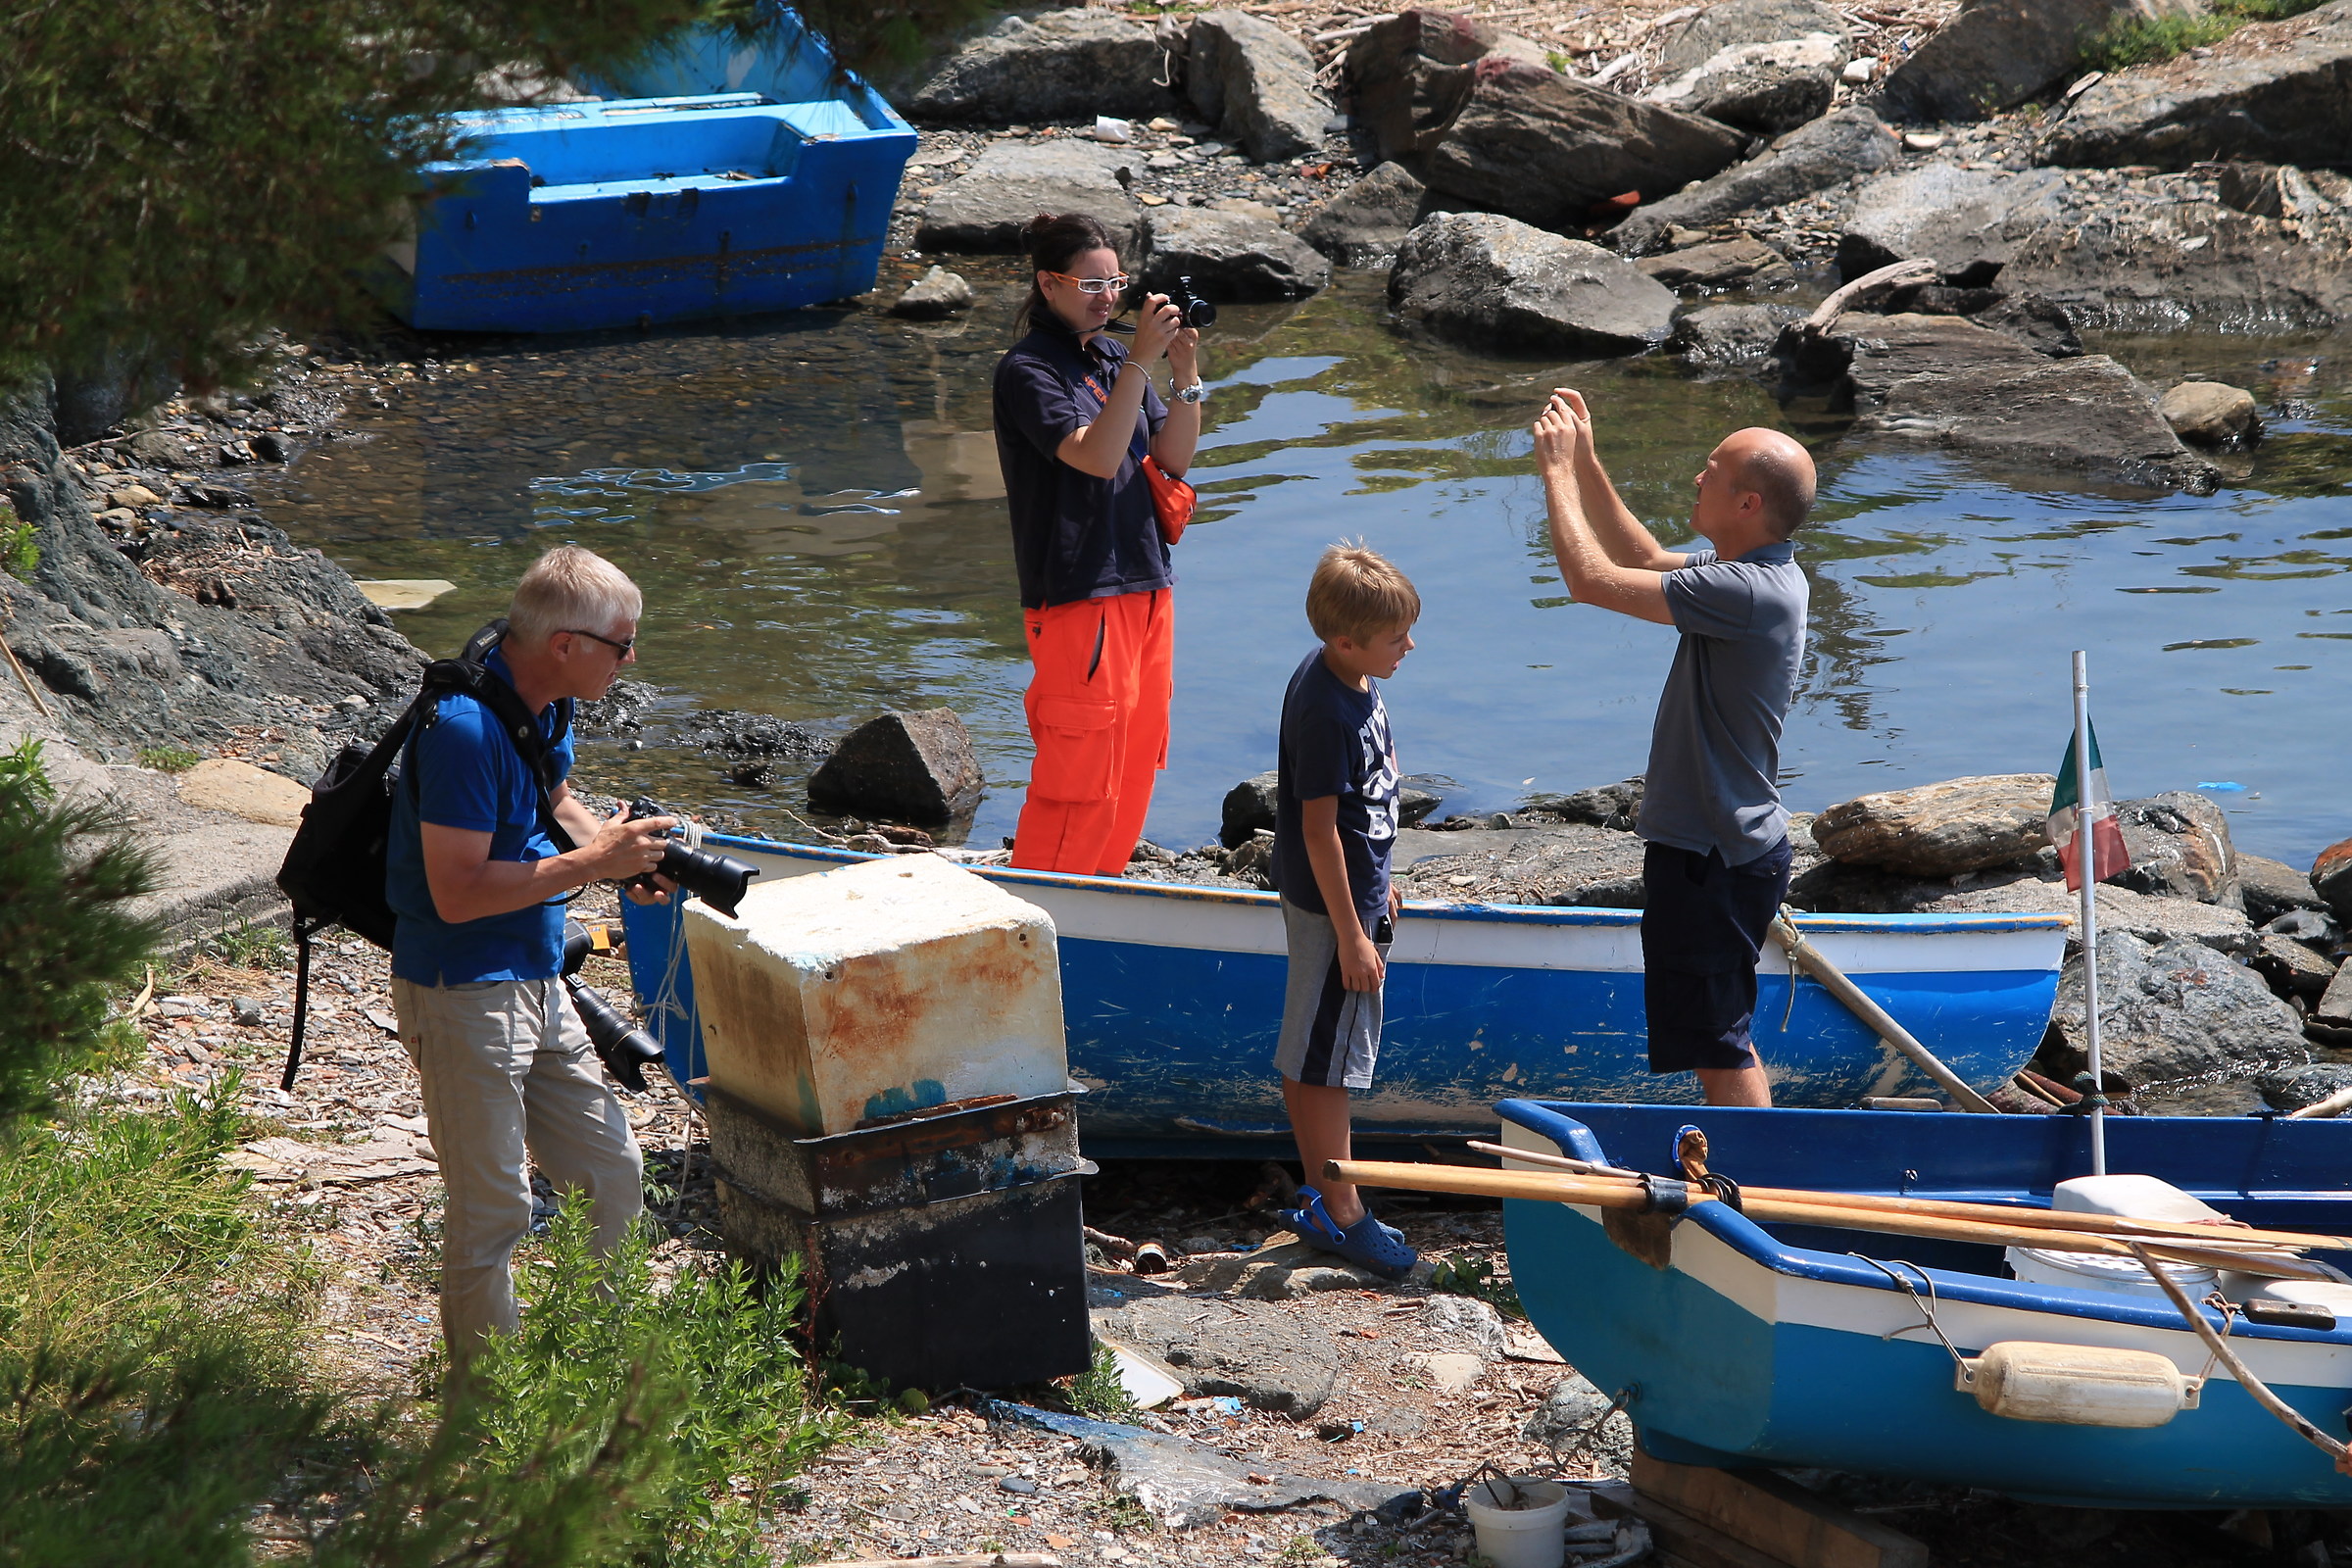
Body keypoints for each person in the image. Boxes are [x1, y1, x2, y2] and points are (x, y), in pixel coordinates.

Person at [384, 544, 678, 1370]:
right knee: (493, 1207)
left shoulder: (542, 704)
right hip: (460, 989)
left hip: (537, 977)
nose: (630, 659)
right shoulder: (465, 732)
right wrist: (595, 864)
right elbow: (458, 892)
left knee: (612, 1172)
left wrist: (625, 859)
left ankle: (588, 1366)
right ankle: (490, 1406)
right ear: (566, 644)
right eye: (622, 645)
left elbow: (551, 795)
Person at [1531, 390, 1815, 1108]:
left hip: (1716, 856)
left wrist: (1557, 472)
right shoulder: (1746, 572)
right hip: (1715, 850)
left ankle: (1750, 1195)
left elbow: (1588, 581)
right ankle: (1742, 1183)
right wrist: (1590, 463)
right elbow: (1647, 557)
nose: (1697, 477)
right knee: (1711, 1039)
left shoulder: (1750, 591)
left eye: (1712, 471)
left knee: (1719, 1045)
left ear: (1747, 503)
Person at [993, 212, 1203, 874]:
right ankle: (1044, 899)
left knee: (1136, 754)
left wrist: (1184, 371)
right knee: (1079, 767)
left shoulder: (1114, 357)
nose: (1108, 298)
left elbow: (1173, 458)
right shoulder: (1029, 370)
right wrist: (1141, 362)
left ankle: (1101, 884)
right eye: (1091, 285)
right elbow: (1094, 456)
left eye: (1116, 283)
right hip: (1080, 591)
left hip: (1146, 581)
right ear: (1048, 284)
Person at [1267, 543, 1420, 1279]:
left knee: (1312, 1050)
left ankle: (1324, 1192)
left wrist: (1380, 876)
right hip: (1335, 917)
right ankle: (1342, 1210)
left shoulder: (1349, 675)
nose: (1409, 646)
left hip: (1348, 898)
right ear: (1345, 639)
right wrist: (1356, 934)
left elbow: (1368, 806)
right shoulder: (1326, 706)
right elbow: (1318, 828)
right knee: (1327, 1063)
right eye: (1397, 638)